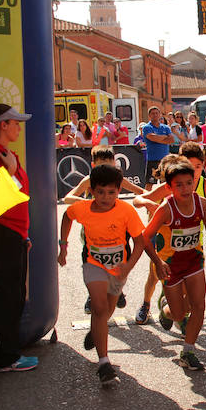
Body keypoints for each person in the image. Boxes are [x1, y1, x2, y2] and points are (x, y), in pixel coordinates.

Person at [58, 164, 150, 385]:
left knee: (107, 310)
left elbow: (140, 241)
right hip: (93, 264)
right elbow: (67, 217)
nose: (106, 197)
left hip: (118, 268)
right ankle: (104, 363)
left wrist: (128, 266)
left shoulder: (126, 211)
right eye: (100, 192)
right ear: (91, 191)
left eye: (111, 192)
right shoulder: (83, 208)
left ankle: (96, 332)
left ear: (119, 191)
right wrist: (63, 245)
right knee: (99, 308)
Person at [0, 103, 38, 372]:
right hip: (0, 233)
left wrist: (23, 236)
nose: (18, 127)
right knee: (9, 295)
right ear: (3, 125)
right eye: (15, 123)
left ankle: (8, 353)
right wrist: (11, 173)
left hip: (12, 234)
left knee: (14, 294)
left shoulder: (6, 153)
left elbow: (18, 196)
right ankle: (5, 358)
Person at [143, 158, 206, 371]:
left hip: (195, 262)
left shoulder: (202, 203)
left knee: (199, 306)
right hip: (171, 266)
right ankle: (167, 311)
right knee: (178, 314)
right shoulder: (166, 209)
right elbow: (144, 236)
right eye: (179, 185)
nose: (185, 188)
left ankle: (188, 351)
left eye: (189, 182)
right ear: (169, 187)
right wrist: (158, 262)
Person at [133, 142, 206, 327]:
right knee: (154, 277)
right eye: (190, 166)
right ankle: (146, 303)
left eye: (198, 167)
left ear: (203, 166)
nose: (194, 171)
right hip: (165, 246)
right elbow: (139, 198)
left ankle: (174, 313)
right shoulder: (172, 186)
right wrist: (148, 204)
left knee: (185, 293)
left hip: (193, 247)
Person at [64, 145, 146, 313]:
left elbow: (140, 191)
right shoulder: (89, 180)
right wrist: (87, 204)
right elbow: (68, 198)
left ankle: (118, 289)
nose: (107, 169)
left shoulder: (118, 178)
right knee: (93, 261)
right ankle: (92, 295)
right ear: (94, 165)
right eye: (102, 165)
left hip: (117, 227)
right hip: (93, 228)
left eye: (109, 165)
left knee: (120, 258)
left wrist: (151, 200)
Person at [141, 106, 173, 190]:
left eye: (156, 113)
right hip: (153, 160)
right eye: (153, 113)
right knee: (149, 184)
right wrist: (164, 137)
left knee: (166, 184)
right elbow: (151, 137)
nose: (155, 115)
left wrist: (157, 139)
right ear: (149, 115)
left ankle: (165, 201)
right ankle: (146, 201)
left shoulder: (165, 127)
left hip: (165, 160)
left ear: (159, 115)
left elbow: (171, 140)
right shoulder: (147, 127)